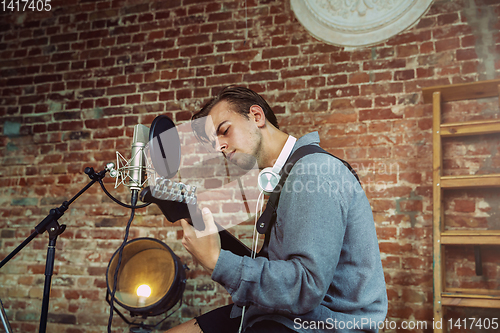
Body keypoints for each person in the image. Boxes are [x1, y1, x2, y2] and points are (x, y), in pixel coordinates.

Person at [165, 86, 388, 333]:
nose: (220, 147)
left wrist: (217, 260)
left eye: (224, 131)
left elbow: (306, 286)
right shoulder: (288, 174)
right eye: (214, 142)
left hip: (324, 323)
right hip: (283, 314)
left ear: (257, 116)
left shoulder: (312, 172)